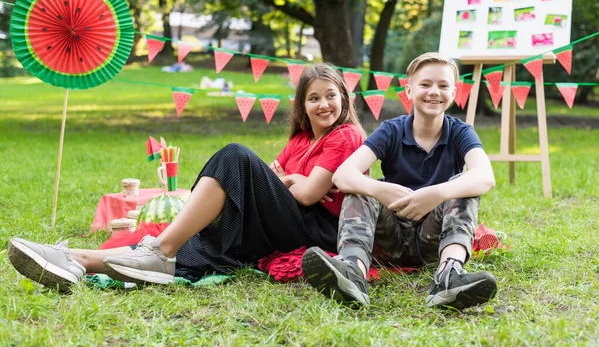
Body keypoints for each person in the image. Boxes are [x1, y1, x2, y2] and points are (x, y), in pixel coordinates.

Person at [8, 64, 365, 291]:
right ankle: (74, 260)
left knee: (235, 156)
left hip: (315, 229)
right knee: (200, 244)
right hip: (280, 220)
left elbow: (308, 194)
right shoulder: (302, 139)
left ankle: (160, 250)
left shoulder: (345, 135)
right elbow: (277, 176)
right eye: (313, 98)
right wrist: (287, 181)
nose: (323, 105)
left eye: (330, 96)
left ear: (344, 99)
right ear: (302, 105)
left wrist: (288, 181)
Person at [302, 52, 497, 309]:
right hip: (388, 237)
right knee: (361, 186)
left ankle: (449, 276)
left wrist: (436, 194)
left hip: (435, 241)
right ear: (408, 90)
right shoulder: (391, 130)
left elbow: (485, 176)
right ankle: (352, 272)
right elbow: (343, 175)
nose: (433, 92)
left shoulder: (461, 132)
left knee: (465, 183)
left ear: (455, 91)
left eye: (443, 85)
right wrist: (380, 189)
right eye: (425, 84)